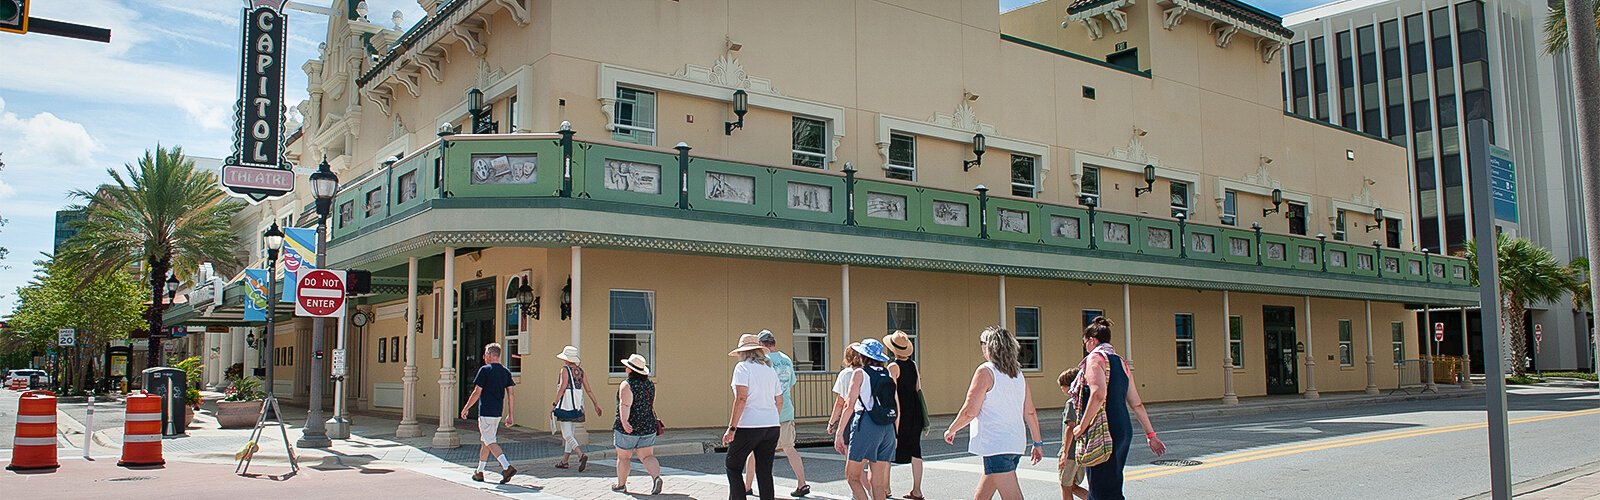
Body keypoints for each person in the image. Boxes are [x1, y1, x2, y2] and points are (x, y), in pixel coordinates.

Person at [1069, 317, 1167, 500]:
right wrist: (1151, 435)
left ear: (1092, 340)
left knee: (1099, 491)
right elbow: (1136, 403)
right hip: (1122, 429)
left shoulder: (1094, 359)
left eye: (1085, 343)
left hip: (1103, 430)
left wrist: (1081, 426)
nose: (1085, 347)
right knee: (1112, 486)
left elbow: (1098, 394)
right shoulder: (1122, 363)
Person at [943, 326, 1045, 500]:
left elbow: (970, 410)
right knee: (981, 496)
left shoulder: (985, 371)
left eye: (982, 343)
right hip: (1015, 444)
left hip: (996, 444)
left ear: (989, 346)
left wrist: (951, 429)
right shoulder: (1018, 374)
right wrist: (1037, 442)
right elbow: (1030, 412)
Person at [744, 330, 810, 497]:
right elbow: (791, 383)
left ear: (761, 345)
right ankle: (802, 483)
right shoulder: (786, 359)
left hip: (767, 412)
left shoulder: (764, 361)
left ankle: (747, 485)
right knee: (789, 448)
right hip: (786, 409)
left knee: (753, 450)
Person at [835, 339, 899, 500]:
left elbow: (849, 405)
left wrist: (839, 432)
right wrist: (896, 433)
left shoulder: (859, 374)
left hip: (866, 424)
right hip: (888, 427)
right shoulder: (888, 374)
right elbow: (896, 404)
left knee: (852, 476)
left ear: (863, 356)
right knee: (877, 483)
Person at [724, 334, 783, 500]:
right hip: (771, 424)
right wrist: (771, 418)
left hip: (749, 425)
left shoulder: (742, 368)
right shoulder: (770, 370)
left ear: (743, 352)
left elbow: (741, 398)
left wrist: (732, 428)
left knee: (733, 466)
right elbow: (779, 400)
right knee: (765, 472)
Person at [459, 343, 517, 484]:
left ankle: (506, 467)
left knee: (490, 441)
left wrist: (466, 408)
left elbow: (476, 392)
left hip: (485, 412)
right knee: (485, 441)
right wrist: (510, 414)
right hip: (497, 412)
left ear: (491, 355)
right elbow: (511, 394)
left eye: (485, 354)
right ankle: (479, 471)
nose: (484, 357)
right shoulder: (506, 372)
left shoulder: (484, 370)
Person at [612, 354, 663, 495]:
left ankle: (621, 485)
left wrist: (624, 422)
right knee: (647, 456)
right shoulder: (650, 384)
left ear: (630, 369)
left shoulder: (626, 385)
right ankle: (656, 477)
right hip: (648, 425)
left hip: (629, 427)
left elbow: (625, 405)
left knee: (624, 457)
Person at [884, 330, 927, 500]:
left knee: (888, 450)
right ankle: (917, 490)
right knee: (916, 450)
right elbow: (918, 387)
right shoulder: (913, 365)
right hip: (915, 409)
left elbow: (892, 395)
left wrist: (895, 420)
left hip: (901, 410)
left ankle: (886, 489)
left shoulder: (892, 367)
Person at [827, 342, 872, 494]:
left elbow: (840, 402)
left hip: (850, 417)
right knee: (869, 460)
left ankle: (866, 492)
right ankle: (876, 490)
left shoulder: (846, 374)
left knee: (852, 462)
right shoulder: (868, 372)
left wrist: (832, 422)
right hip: (869, 417)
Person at [551, 345, 602, 471]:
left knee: (567, 435)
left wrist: (554, 403)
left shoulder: (564, 370)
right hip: (577, 405)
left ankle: (581, 454)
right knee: (571, 433)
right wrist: (596, 404)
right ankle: (565, 461)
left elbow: (563, 387)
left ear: (566, 359)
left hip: (565, 405)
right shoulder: (581, 371)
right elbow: (588, 389)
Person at [1057, 367, 1088, 500]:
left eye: (1062, 385)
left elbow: (1070, 428)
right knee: (1073, 485)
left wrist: (1064, 452)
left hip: (1070, 452)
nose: (1062, 389)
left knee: (1066, 485)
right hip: (1082, 449)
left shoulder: (1071, 403)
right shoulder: (1085, 401)